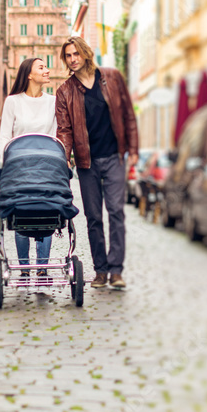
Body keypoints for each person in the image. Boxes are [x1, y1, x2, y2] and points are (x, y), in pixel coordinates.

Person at [55, 37, 138, 289]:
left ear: (86, 53)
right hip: (86, 162)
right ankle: (100, 271)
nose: (73, 59)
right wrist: (63, 159)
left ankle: (116, 271)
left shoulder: (112, 78)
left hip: (114, 157)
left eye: (76, 53)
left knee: (116, 212)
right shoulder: (65, 91)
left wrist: (133, 149)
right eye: (68, 56)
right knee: (93, 217)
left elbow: (128, 115)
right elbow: (65, 130)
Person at [0, 57, 57, 278]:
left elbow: (57, 135)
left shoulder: (53, 101)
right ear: (29, 74)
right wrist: (8, 164)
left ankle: (43, 267)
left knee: (47, 211)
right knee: (21, 212)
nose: (47, 70)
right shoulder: (13, 102)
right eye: (42, 67)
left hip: (46, 167)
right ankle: (24, 267)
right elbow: (5, 136)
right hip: (20, 168)